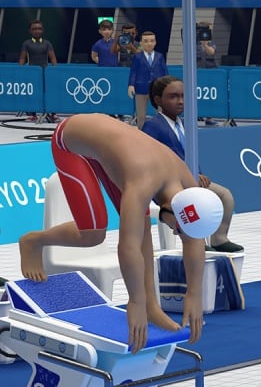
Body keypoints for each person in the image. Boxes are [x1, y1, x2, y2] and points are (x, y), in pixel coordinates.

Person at [19, 114, 221, 352]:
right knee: (93, 234)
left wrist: (195, 293)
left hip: (111, 147)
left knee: (142, 225)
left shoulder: (188, 185)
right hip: (71, 142)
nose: (177, 235)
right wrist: (134, 301)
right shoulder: (142, 183)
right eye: (177, 230)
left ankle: (152, 307)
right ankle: (33, 241)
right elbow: (128, 247)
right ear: (170, 209)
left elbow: (193, 239)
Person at [142, 77, 242, 252]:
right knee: (195, 203)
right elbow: (152, 160)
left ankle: (219, 238)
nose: (180, 101)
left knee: (225, 196)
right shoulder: (152, 126)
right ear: (158, 100)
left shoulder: (185, 124)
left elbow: (190, 155)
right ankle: (197, 241)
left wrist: (198, 173)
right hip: (167, 186)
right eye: (173, 96)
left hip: (190, 181)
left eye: (183, 96)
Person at [128, 31, 167, 129]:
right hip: (141, 89)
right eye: (146, 41)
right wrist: (131, 85)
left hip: (157, 89)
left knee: (161, 114)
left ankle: (161, 131)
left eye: (151, 41)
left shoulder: (160, 56)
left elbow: (164, 71)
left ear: (155, 42)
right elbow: (133, 72)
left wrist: (167, 85)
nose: (149, 43)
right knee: (141, 115)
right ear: (141, 43)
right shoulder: (137, 57)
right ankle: (141, 133)